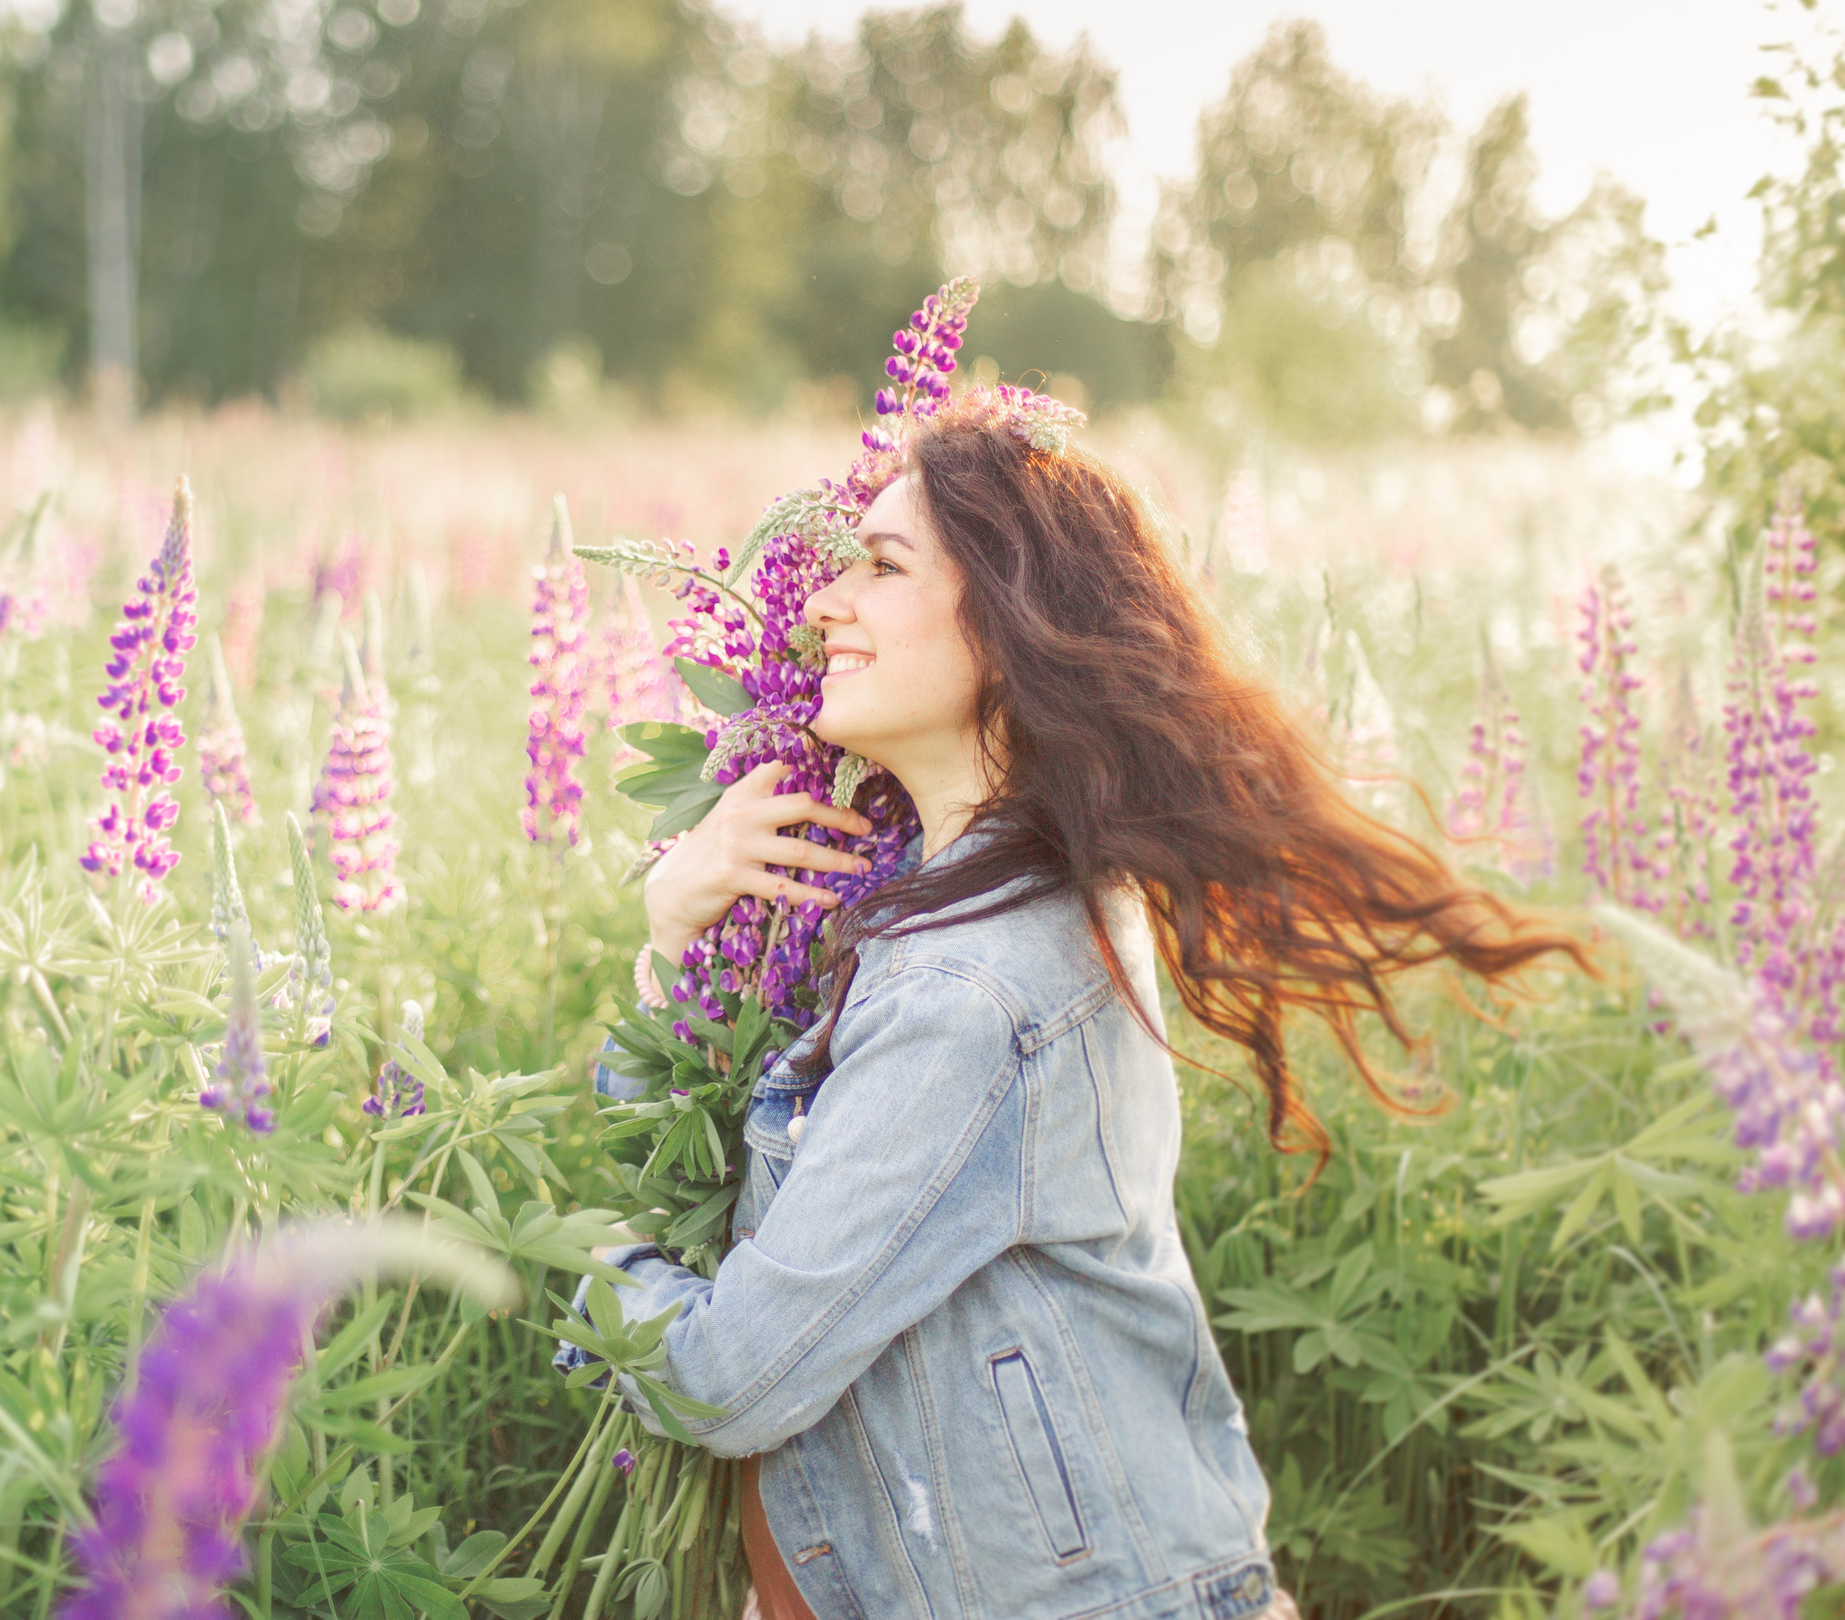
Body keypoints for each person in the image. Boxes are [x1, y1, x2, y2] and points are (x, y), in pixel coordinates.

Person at [567, 386, 1582, 1620]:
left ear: (1006, 626)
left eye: (880, 566)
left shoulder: (973, 985)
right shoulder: (945, 901)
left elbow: (730, 1377)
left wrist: (589, 1271)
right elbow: (707, 1168)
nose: (823, 601)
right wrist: (675, 936)